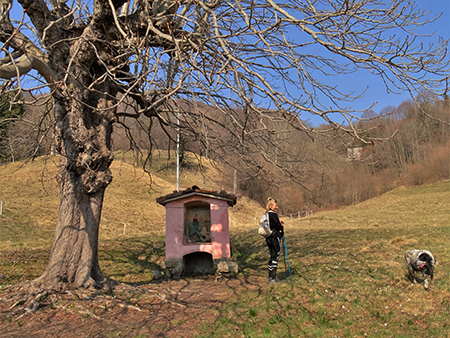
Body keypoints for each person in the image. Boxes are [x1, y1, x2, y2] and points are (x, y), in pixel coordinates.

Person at [265, 197, 284, 283]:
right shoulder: (274, 215)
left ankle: (270, 277)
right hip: (274, 238)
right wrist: (281, 226)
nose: (277, 207)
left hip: (268, 238)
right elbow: (278, 227)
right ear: (271, 206)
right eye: (275, 206)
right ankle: (273, 278)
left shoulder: (266, 215)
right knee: (275, 256)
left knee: (271, 256)